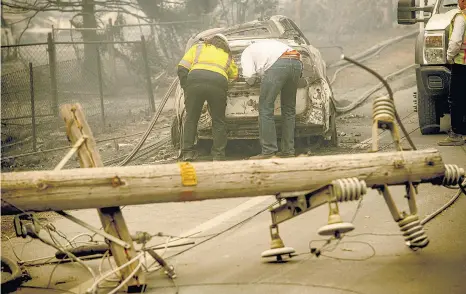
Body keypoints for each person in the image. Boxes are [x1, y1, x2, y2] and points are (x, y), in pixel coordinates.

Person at [177, 33, 238, 161]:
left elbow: (182, 67)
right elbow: (235, 76)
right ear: (225, 45)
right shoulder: (227, 55)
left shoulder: (198, 48)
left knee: (191, 118)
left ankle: (187, 152)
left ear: (210, 40)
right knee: (218, 121)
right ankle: (218, 155)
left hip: (195, 81)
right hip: (218, 83)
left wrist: (186, 87)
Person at [240, 39, 303, 159]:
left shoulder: (247, 52)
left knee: (265, 108)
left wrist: (254, 80)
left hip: (278, 65)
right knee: (289, 109)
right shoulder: (269, 45)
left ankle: (268, 151)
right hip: (296, 61)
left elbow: (250, 78)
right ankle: (288, 150)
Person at [438, 0, 466, 146]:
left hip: (461, 64)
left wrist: (449, 57)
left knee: (456, 99)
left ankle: (456, 133)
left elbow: (455, 42)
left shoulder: (461, 17)